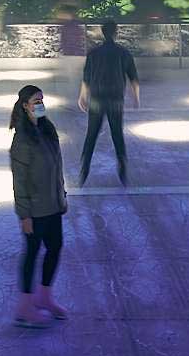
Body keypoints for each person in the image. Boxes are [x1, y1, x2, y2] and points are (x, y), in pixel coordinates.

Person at [9, 84, 68, 328]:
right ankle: (24, 308)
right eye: (36, 101)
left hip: (53, 205)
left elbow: (57, 167)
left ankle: (44, 297)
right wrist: (25, 216)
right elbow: (19, 182)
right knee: (32, 253)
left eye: (42, 100)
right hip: (34, 210)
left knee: (55, 247)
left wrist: (61, 196)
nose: (41, 104)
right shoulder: (22, 139)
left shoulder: (47, 129)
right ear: (25, 106)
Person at [77, 20, 140, 186]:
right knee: (117, 134)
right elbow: (133, 78)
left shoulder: (93, 53)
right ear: (116, 32)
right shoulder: (123, 53)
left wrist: (82, 96)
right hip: (115, 100)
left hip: (97, 99)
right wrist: (136, 98)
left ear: (102, 32)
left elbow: (86, 78)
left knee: (91, 135)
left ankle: (85, 167)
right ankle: (122, 167)